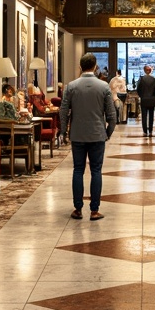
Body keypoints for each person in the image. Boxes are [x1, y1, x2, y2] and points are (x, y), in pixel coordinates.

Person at [59, 52, 116, 220]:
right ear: (95, 66)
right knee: (96, 171)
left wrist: (63, 131)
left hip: (77, 134)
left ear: (80, 67)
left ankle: (77, 209)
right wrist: (108, 133)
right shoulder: (103, 86)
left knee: (78, 170)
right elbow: (111, 115)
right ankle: (94, 210)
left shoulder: (71, 86)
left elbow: (63, 111)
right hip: (97, 134)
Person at [136, 64, 155, 137]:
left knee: (144, 116)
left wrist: (141, 95)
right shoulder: (154, 79)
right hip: (152, 99)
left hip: (144, 99)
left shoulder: (141, 79)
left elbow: (138, 89)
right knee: (151, 116)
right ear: (150, 71)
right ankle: (150, 130)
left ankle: (144, 131)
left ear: (144, 70)